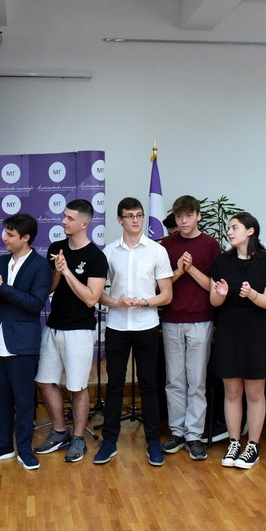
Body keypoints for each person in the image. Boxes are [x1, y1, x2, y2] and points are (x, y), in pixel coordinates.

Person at [94, 198, 173, 465]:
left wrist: (143, 302)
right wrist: (116, 302)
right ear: (120, 220)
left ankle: (153, 442)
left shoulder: (157, 251)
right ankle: (109, 442)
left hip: (146, 326)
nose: (136, 220)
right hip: (117, 325)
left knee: (149, 385)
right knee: (115, 385)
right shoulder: (108, 252)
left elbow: (167, 294)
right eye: (129, 216)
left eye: (139, 215)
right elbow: (97, 294)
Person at [0, 213, 53, 469]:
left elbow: (35, 304)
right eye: (5, 233)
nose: (4, 238)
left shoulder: (40, 266)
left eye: (10, 234)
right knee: (1, 399)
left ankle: (25, 449)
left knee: (24, 400)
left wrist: (3, 289)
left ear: (25, 237)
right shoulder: (1, 261)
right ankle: (3, 446)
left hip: (22, 343)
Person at [34, 199, 108, 463]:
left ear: (84, 223)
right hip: (53, 326)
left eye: (69, 218)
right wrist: (57, 271)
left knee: (77, 387)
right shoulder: (56, 248)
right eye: (64, 216)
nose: (63, 221)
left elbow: (91, 298)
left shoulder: (96, 257)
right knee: (44, 381)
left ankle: (78, 438)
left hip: (79, 330)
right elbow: (50, 288)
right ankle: (59, 431)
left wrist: (67, 272)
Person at [209, 212, 266, 470]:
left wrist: (251, 294)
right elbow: (213, 301)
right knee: (231, 391)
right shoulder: (221, 261)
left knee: (254, 392)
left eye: (235, 227)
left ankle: (253, 445)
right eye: (229, 228)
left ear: (250, 231)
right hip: (229, 329)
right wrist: (221, 293)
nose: (229, 232)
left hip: (257, 331)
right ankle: (233, 442)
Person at [159, 195, 220, 461]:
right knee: (174, 380)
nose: (183, 221)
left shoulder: (210, 245)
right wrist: (179, 271)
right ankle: (177, 432)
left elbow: (214, 287)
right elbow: (160, 285)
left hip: (201, 319)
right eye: (179, 216)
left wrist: (191, 269)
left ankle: (194, 434)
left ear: (198, 216)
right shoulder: (165, 246)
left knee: (197, 380)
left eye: (188, 215)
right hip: (171, 319)